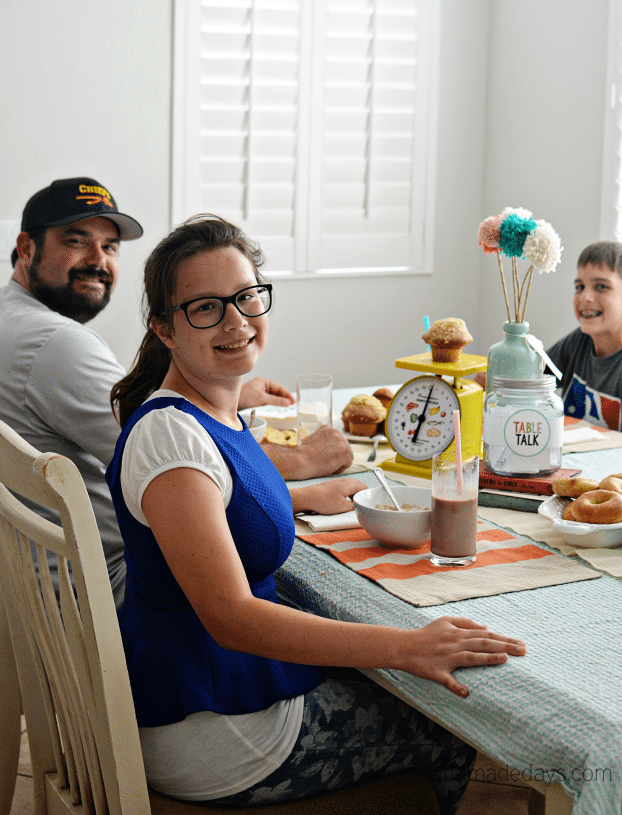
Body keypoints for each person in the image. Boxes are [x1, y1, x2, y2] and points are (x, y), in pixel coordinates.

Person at [106, 214, 526, 813]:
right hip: (212, 728)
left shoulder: (211, 413)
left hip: (208, 692)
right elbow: (231, 617)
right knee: (452, 723)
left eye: (247, 297)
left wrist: (301, 496)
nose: (235, 321)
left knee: (395, 673)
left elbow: (221, 501)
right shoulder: (170, 439)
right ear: (164, 328)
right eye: (205, 308)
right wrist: (407, 646)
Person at [0, 178, 354, 609]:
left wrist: (231, 396)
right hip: (108, 598)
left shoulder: (12, 322)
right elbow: (179, 462)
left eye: (110, 247)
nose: (98, 260)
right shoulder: (56, 345)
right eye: (77, 241)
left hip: (36, 588)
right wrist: (303, 463)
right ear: (26, 248)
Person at [545, 241, 622, 439]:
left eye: (601, 286)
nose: (585, 297)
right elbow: (533, 375)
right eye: (579, 286)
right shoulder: (579, 341)